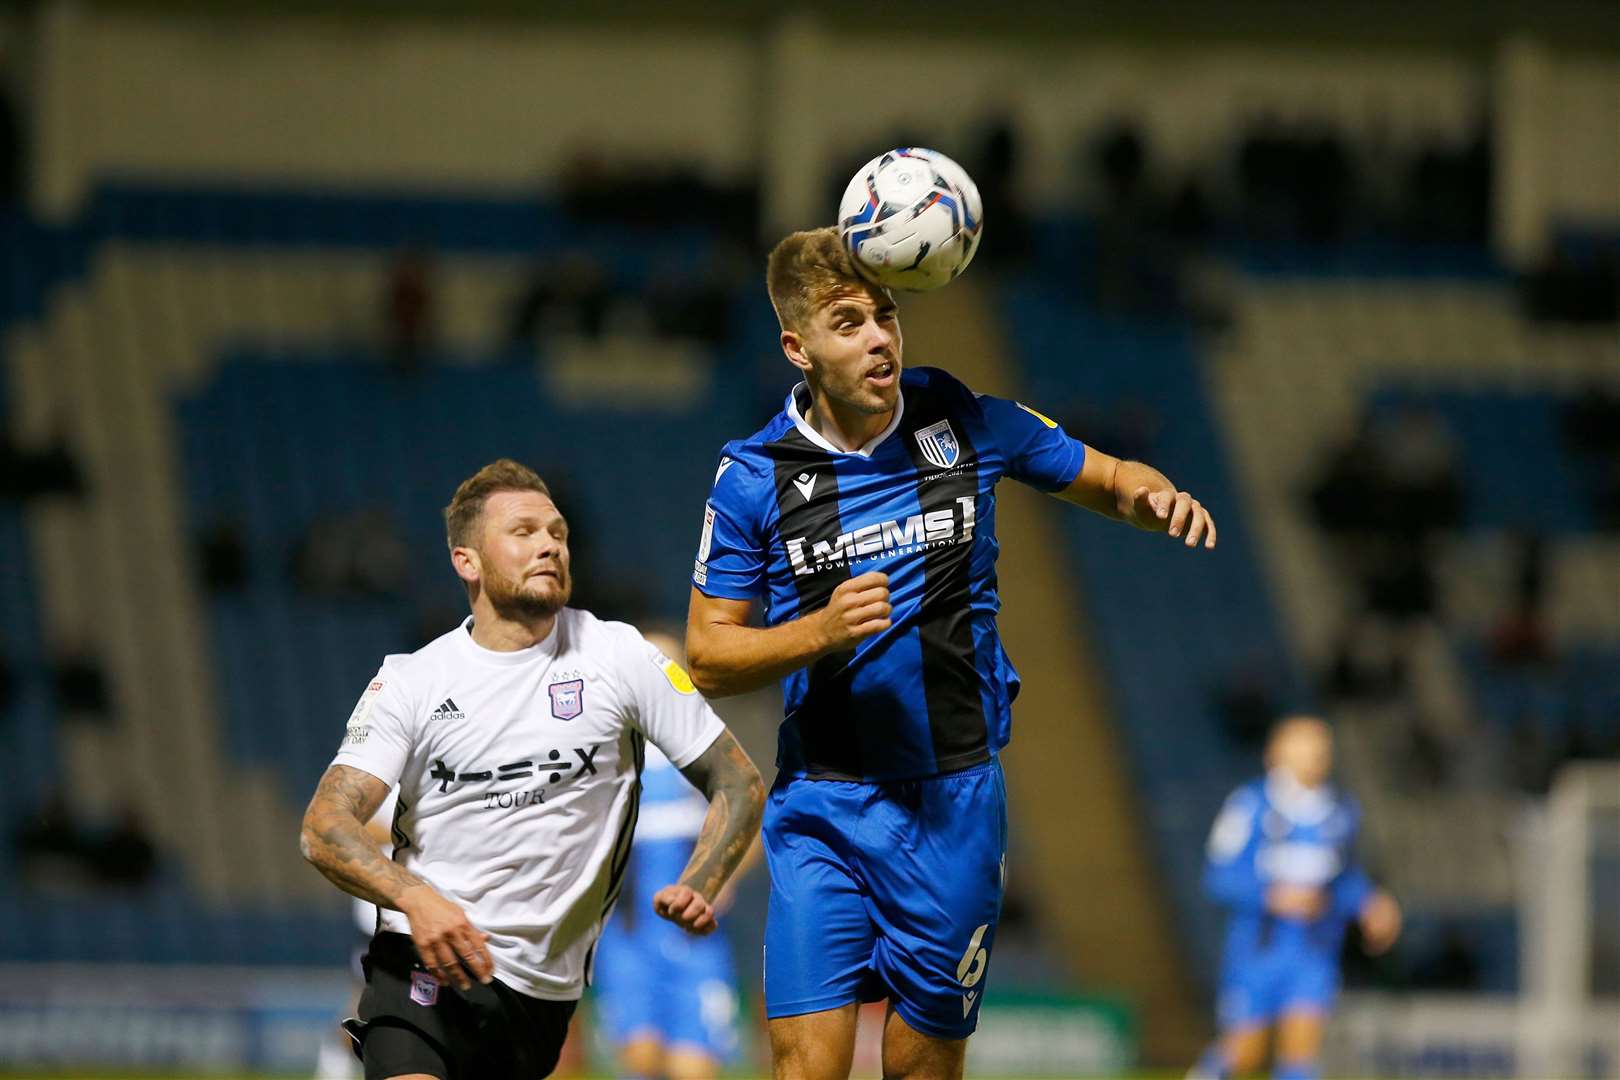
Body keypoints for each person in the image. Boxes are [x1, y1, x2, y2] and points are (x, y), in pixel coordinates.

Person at [684, 228, 1216, 1080]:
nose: (878, 337)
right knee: (804, 1067)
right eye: (848, 321)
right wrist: (820, 631)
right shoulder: (755, 475)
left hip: (954, 800)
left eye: (886, 316)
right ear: (797, 347)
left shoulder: (962, 419)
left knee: (923, 1066)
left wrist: (1150, 493)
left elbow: (1107, 476)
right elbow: (708, 655)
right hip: (823, 801)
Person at [300, 459, 765, 1080]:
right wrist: (415, 899)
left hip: (540, 995)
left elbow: (738, 780)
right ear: (467, 561)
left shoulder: (620, 658)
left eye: (558, 532)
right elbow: (324, 827)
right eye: (523, 532)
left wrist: (703, 880)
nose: (548, 544)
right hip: (421, 964)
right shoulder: (410, 682)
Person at [1192, 715, 1402, 1080]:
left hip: (1313, 949)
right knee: (1245, 1051)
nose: (1317, 752)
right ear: (1276, 752)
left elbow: (1344, 877)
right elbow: (1218, 875)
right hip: (1257, 948)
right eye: (1305, 742)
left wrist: (1370, 903)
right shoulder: (1251, 806)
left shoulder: (1340, 811)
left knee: (1301, 1055)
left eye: (1322, 743)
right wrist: (1272, 896)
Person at [590, 630, 759, 1080]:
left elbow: (751, 820)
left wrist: (723, 879)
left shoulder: (705, 753)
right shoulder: (605, 753)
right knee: (641, 1061)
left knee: (693, 1067)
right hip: (626, 935)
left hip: (693, 938)